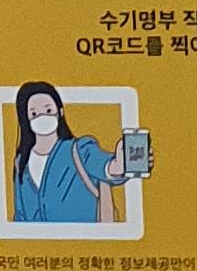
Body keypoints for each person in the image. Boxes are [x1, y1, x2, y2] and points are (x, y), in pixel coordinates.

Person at [9, 81, 136, 222]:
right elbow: (20, 213)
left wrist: (118, 166)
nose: (42, 117)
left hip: (83, 235)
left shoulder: (79, 149)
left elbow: (102, 165)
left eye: (48, 110)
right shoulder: (21, 162)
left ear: (60, 112)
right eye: (34, 113)